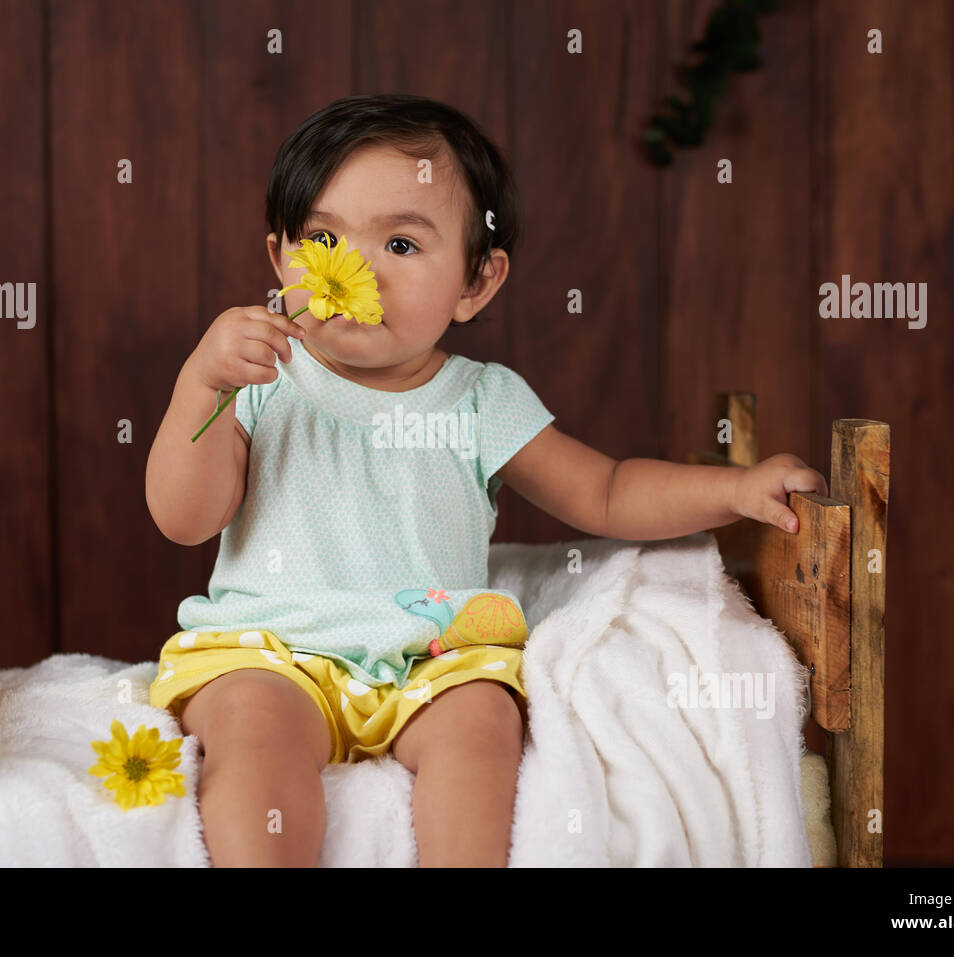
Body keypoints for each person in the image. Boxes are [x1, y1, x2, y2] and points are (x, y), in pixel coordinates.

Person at [144, 93, 828, 867]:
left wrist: (734, 490)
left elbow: (603, 491)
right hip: (269, 650)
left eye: (401, 245)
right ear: (280, 260)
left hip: (431, 658)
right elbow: (185, 517)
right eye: (324, 238)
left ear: (477, 282)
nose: (353, 269)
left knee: (483, 721)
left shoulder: (481, 400)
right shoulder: (258, 376)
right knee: (250, 729)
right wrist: (199, 386)